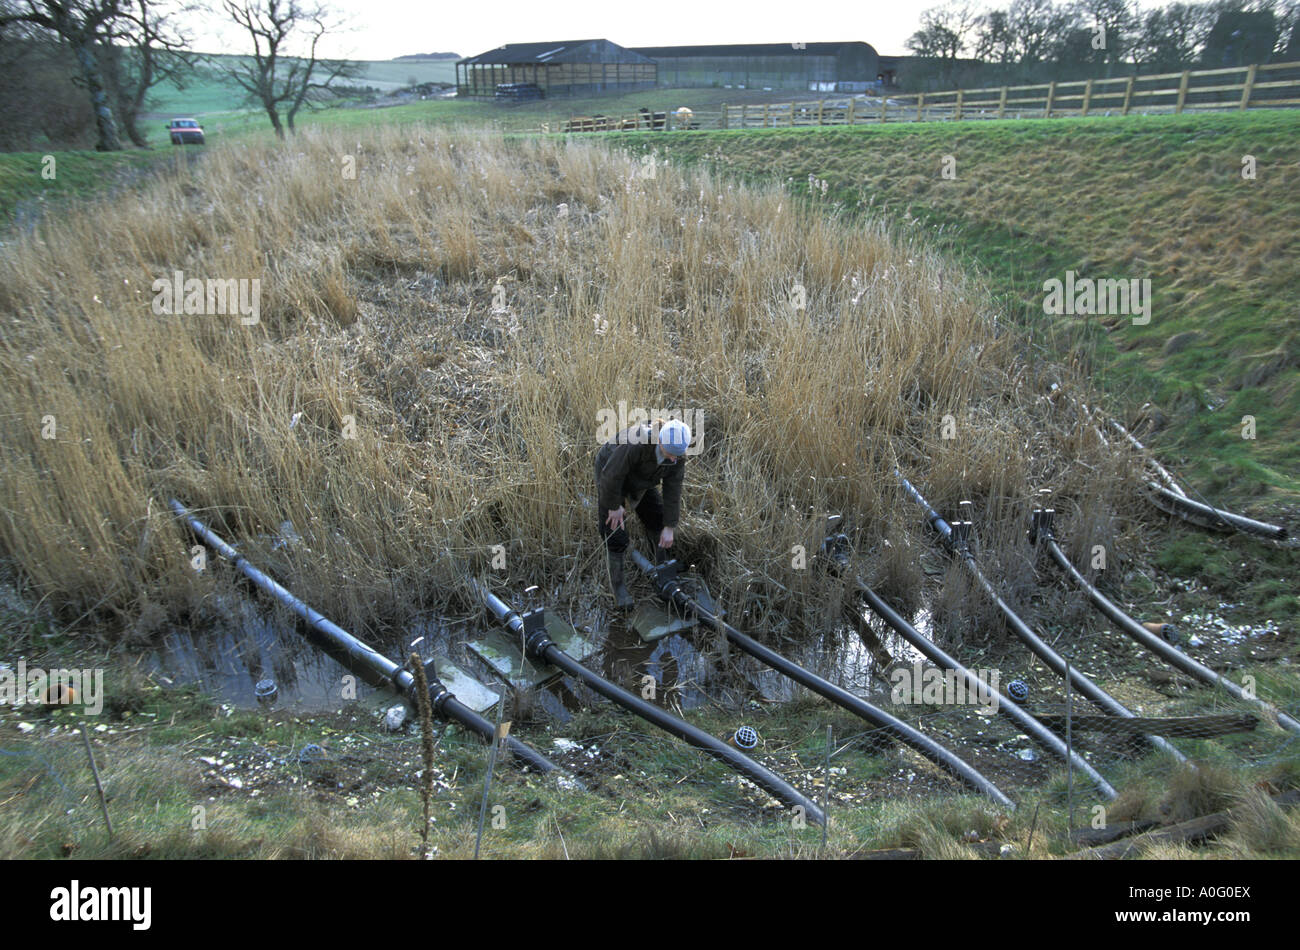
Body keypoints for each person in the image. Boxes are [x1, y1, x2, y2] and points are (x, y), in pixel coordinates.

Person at [595, 417, 692, 608]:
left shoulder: (676, 455)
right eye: (671, 454)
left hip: (644, 478)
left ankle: (662, 571)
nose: (674, 459)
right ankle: (619, 587)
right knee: (616, 532)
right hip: (612, 473)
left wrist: (669, 526)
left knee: (657, 519)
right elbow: (611, 476)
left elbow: (673, 489)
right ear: (660, 441)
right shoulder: (636, 442)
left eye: (677, 456)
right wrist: (614, 506)